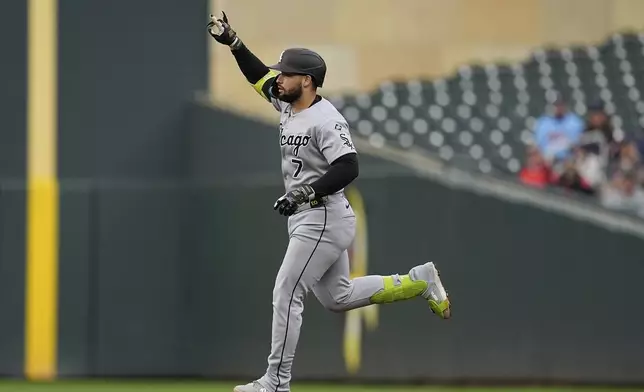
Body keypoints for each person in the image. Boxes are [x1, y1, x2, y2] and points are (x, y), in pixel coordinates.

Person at [206, 12, 451, 392]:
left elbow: (349, 167)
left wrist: (307, 191)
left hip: (322, 215)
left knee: (286, 291)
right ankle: (417, 281)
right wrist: (235, 44)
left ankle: (276, 382)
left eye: (286, 74)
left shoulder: (326, 119)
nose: (279, 78)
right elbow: (258, 76)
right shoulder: (288, 103)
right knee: (338, 297)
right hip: (310, 216)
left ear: (307, 81)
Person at [533, 96, 584, 165]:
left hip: (570, 162)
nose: (558, 108)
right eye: (556, 105)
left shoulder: (574, 122)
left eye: (560, 104)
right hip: (548, 162)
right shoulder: (543, 123)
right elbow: (538, 147)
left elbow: (578, 145)